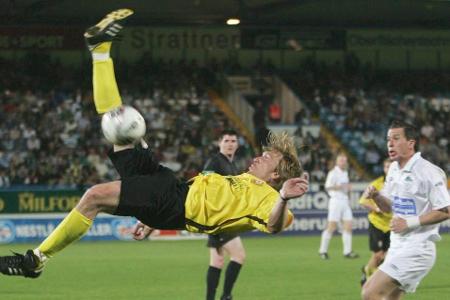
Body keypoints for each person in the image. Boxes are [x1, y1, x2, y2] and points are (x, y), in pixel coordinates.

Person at [0, 8, 309, 279]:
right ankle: (100, 51)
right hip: (171, 188)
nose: (258, 157)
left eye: (267, 158)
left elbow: (275, 225)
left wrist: (283, 197)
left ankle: (35, 260)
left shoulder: (267, 200)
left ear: (277, 175)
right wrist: (150, 220)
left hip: (171, 203)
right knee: (119, 124)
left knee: (93, 196)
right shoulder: (242, 178)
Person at [361, 120, 450, 300]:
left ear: (411, 143)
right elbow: (388, 208)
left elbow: (445, 210)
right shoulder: (394, 169)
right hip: (397, 245)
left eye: (395, 138)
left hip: (418, 248)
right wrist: (377, 196)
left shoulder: (429, 172)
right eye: (388, 139)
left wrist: (409, 223)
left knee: (369, 293)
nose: (390, 143)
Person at [203, 129, 243, 300]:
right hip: (218, 218)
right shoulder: (214, 162)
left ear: (237, 144)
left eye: (233, 141)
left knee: (217, 261)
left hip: (223, 217)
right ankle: (226, 296)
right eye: (226, 141)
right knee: (239, 255)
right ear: (219, 143)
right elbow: (204, 185)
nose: (230, 144)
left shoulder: (231, 164)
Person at [318, 152, 359, 259]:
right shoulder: (333, 173)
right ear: (337, 161)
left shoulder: (345, 172)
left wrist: (348, 192)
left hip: (345, 202)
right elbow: (327, 187)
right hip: (336, 201)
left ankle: (347, 252)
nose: (343, 162)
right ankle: (323, 251)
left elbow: (346, 188)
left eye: (345, 160)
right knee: (331, 227)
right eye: (341, 160)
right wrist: (340, 186)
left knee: (348, 226)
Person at [359, 158, 392, 286]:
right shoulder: (377, 184)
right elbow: (363, 201)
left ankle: (374, 276)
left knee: (388, 256)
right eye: (387, 167)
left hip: (391, 226)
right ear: (384, 169)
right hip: (377, 224)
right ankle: (368, 273)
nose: (389, 169)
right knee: (378, 255)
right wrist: (377, 208)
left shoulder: (399, 184)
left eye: (391, 167)